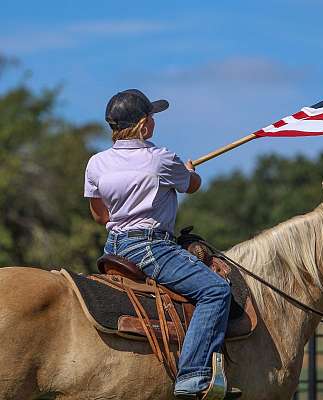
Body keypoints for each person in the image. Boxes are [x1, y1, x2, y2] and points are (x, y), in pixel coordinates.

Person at [83, 89, 231, 399]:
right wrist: (188, 170)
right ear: (144, 126)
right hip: (151, 248)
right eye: (152, 117)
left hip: (113, 247)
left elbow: (100, 215)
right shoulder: (162, 159)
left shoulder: (96, 163)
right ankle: (192, 376)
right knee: (215, 291)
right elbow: (193, 186)